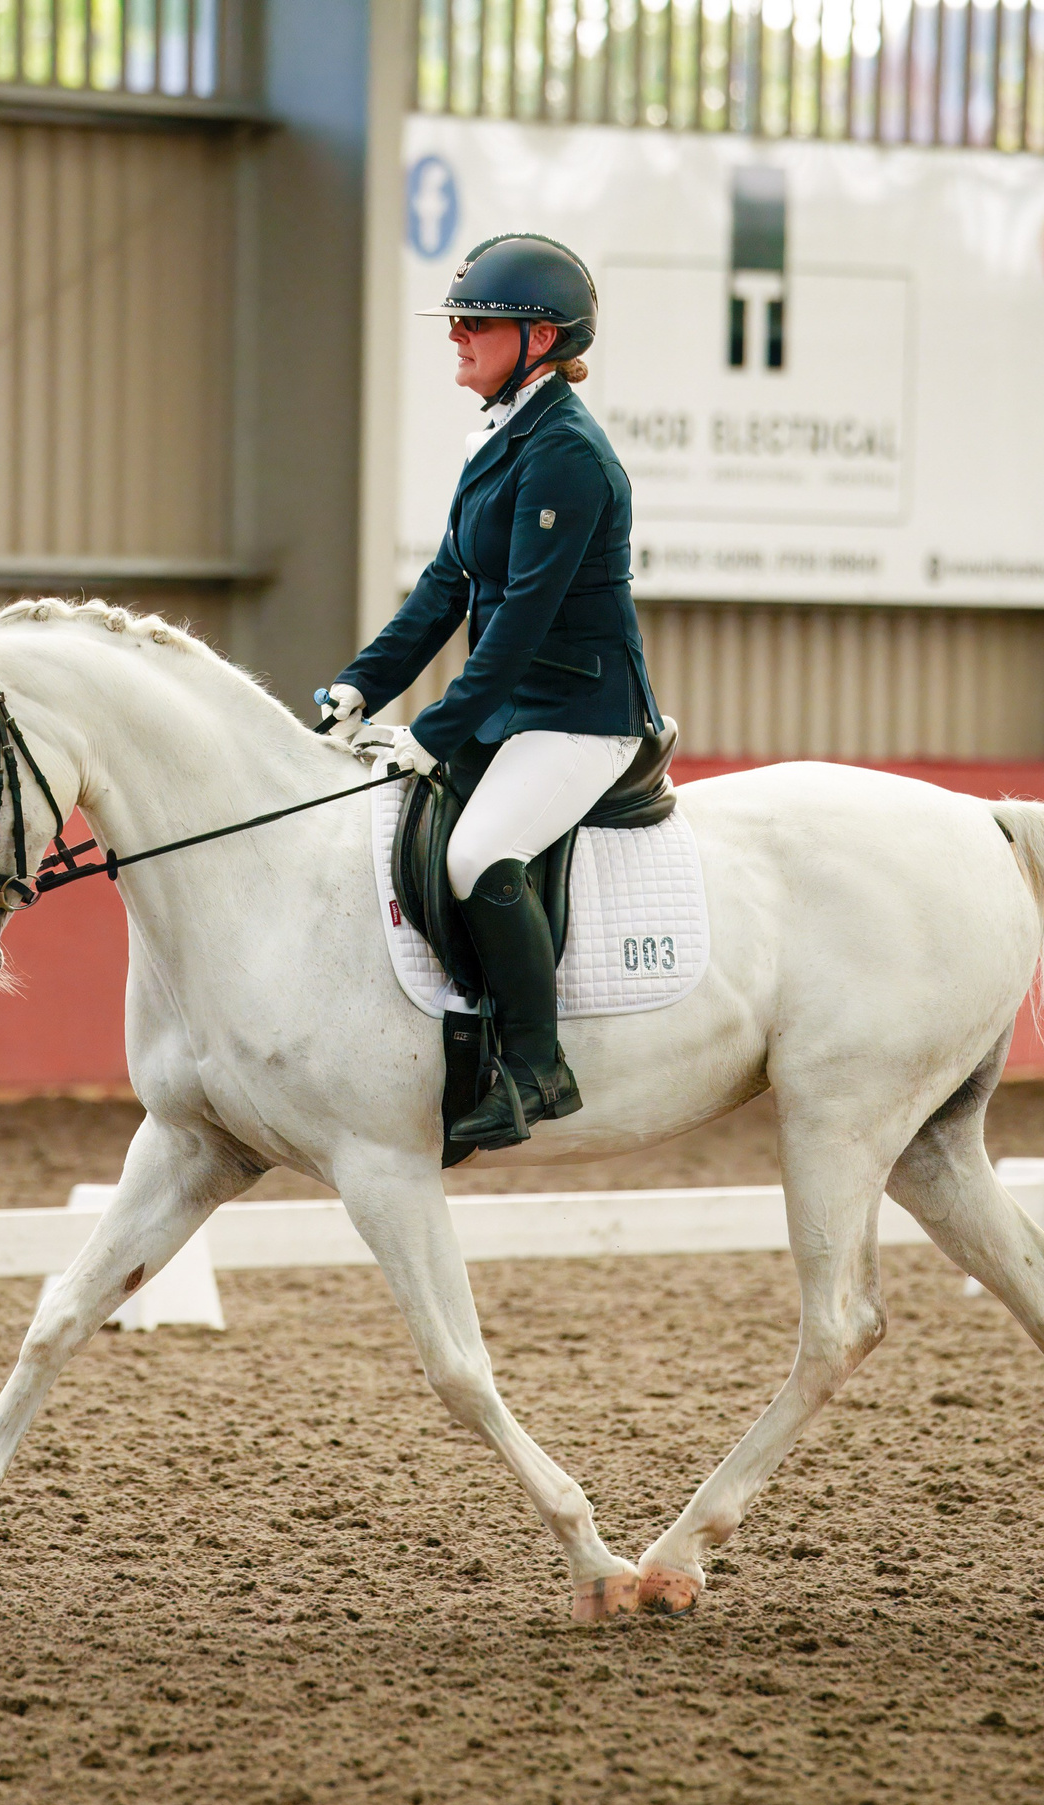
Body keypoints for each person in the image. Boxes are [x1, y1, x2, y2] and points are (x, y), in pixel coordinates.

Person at [316, 233, 661, 1154]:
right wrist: (359, 685)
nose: (456, 335)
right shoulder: (503, 438)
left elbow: (520, 626)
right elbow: (446, 586)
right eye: (458, 321)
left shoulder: (568, 455)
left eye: (477, 322)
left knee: (475, 855)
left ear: (539, 339)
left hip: (582, 715)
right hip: (516, 713)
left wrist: (433, 729)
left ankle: (537, 1067)